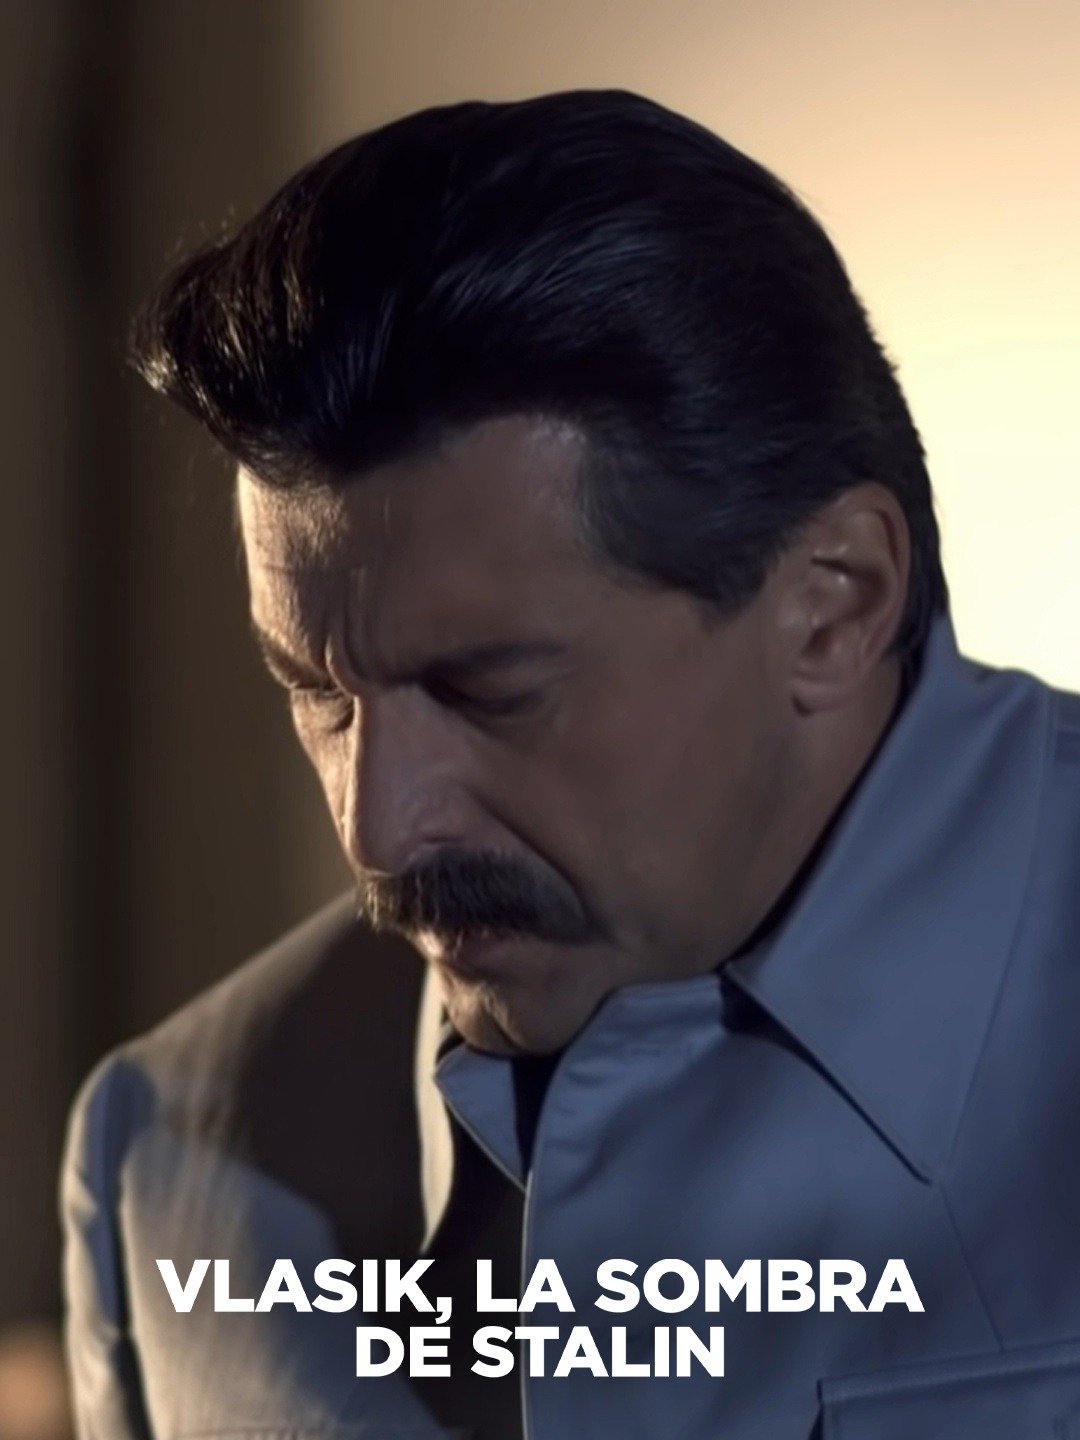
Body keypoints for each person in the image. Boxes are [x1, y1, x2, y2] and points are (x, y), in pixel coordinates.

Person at [60, 89, 1080, 1440]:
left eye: (489, 689)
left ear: (833, 604)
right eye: (314, 690)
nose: (377, 831)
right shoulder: (174, 1153)